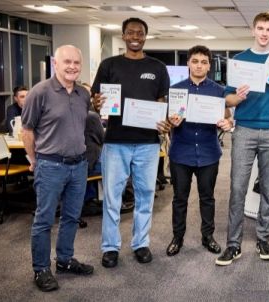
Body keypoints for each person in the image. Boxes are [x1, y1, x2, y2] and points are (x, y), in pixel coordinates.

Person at [91, 17, 171, 268]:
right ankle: (110, 247)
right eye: (130, 32)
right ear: (123, 35)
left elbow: (161, 103)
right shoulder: (109, 64)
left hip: (147, 143)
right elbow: (96, 99)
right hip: (115, 141)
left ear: (146, 36)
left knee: (146, 196)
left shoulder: (157, 67)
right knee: (113, 198)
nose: (135, 36)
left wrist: (164, 121)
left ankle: (140, 243)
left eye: (140, 32)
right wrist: (97, 104)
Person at [215, 11, 269, 266]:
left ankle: (263, 237)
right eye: (260, 28)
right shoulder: (239, 60)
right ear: (253, 30)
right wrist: (238, 96)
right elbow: (227, 99)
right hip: (245, 130)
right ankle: (233, 243)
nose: (264, 33)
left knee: (268, 187)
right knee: (238, 187)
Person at [21, 45, 93, 292]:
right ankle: (41, 269)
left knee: (72, 217)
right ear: (55, 64)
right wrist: (33, 159)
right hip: (50, 165)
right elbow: (27, 130)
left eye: (76, 62)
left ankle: (64, 260)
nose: (72, 66)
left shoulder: (83, 94)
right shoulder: (39, 92)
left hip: (78, 165)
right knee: (44, 220)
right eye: (67, 62)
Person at [165, 45, 233, 257]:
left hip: (208, 152)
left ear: (209, 66)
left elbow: (228, 116)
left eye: (204, 62)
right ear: (188, 64)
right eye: (195, 61)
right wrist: (170, 121)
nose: (199, 66)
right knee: (179, 199)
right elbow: (167, 120)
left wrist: (227, 122)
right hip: (181, 153)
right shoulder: (176, 89)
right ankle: (177, 238)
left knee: (207, 198)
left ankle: (208, 237)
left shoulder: (218, 90)